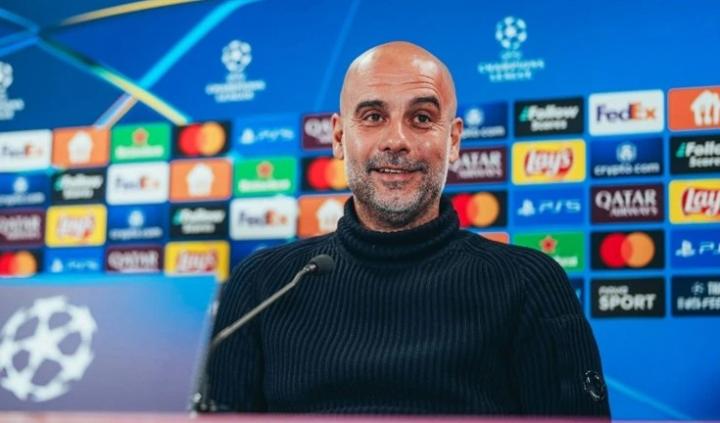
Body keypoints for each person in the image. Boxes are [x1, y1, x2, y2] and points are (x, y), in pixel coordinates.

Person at [206, 41, 610, 416]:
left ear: (453, 141)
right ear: (339, 137)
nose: (396, 140)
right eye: (373, 117)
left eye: (421, 118)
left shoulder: (529, 283)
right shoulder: (264, 286)